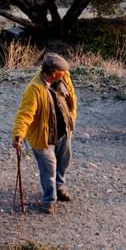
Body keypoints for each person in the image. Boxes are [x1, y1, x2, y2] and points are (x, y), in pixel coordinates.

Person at [12, 52, 77, 214]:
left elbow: (71, 98)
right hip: (44, 137)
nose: (66, 72)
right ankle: (49, 200)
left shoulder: (64, 77)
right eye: (63, 70)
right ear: (53, 72)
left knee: (64, 162)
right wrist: (18, 134)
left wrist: (72, 119)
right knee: (49, 170)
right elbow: (24, 114)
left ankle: (60, 187)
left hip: (64, 131)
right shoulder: (34, 89)